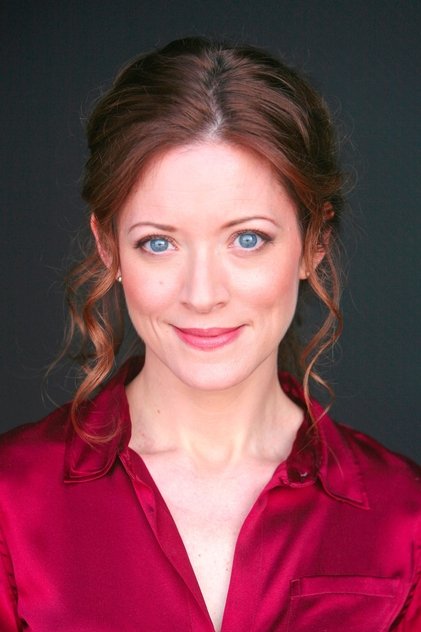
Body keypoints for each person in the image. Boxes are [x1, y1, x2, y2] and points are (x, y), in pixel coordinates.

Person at [0, 37, 419, 632]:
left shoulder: (405, 518)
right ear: (108, 246)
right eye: (158, 242)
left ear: (315, 242)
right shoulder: (11, 502)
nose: (202, 294)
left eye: (247, 239)